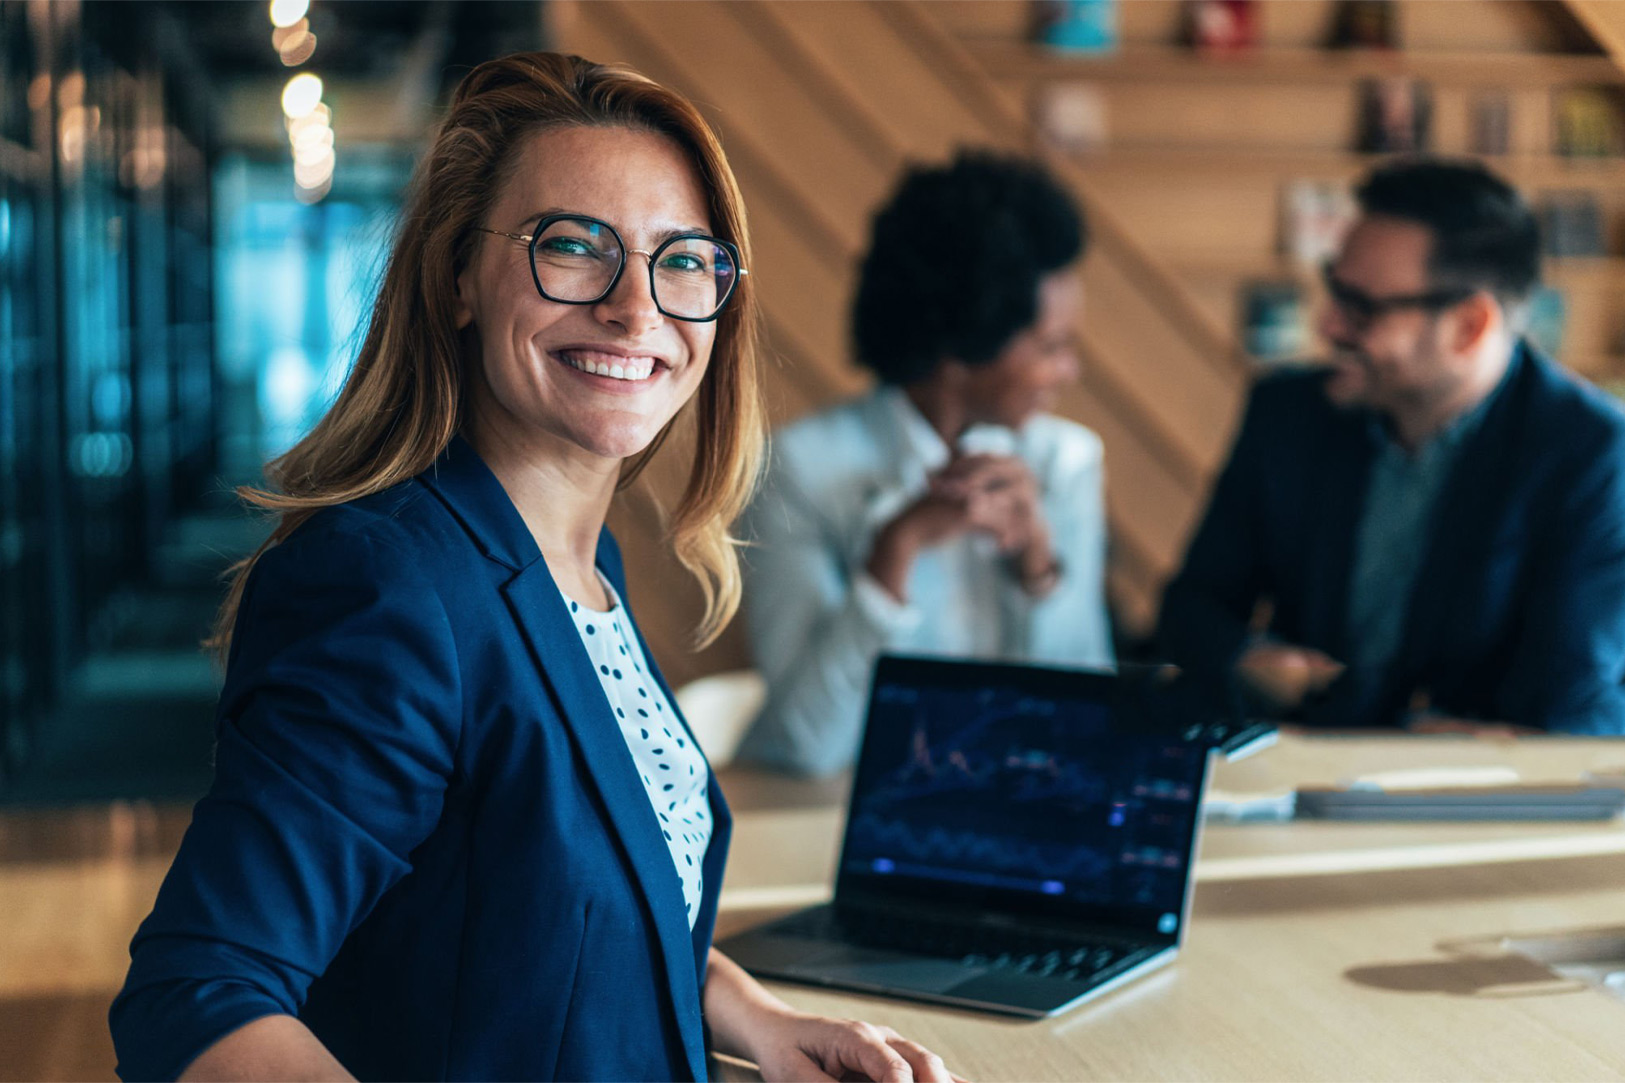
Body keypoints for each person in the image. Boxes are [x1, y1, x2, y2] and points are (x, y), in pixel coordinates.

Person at [109, 52, 960, 1082]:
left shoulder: (576, 559)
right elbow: (199, 992)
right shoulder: (388, 586)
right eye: (573, 247)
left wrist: (754, 1019)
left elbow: (558, 901)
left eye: (682, 259)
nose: (634, 308)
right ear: (459, 277)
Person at [1158, 157, 1625, 735]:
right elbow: (1191, 608)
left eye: (1362, 308)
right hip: (1294, 770)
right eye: (1335, 290)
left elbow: (1569, 702)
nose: (1328, 326)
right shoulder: (1288, 413)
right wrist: (1248, 661)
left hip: (1479, 807)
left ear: (1469, 326)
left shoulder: (1592, 452)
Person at [737, 151, 1113, 777]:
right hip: (822, 827)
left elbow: (1087, 728)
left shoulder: (1066, 463)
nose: (1069, 372)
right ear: (956, 353)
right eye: (1051, 347)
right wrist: (894, 551)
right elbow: (808, 743)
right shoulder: (798, 471)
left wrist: (1039, 568)